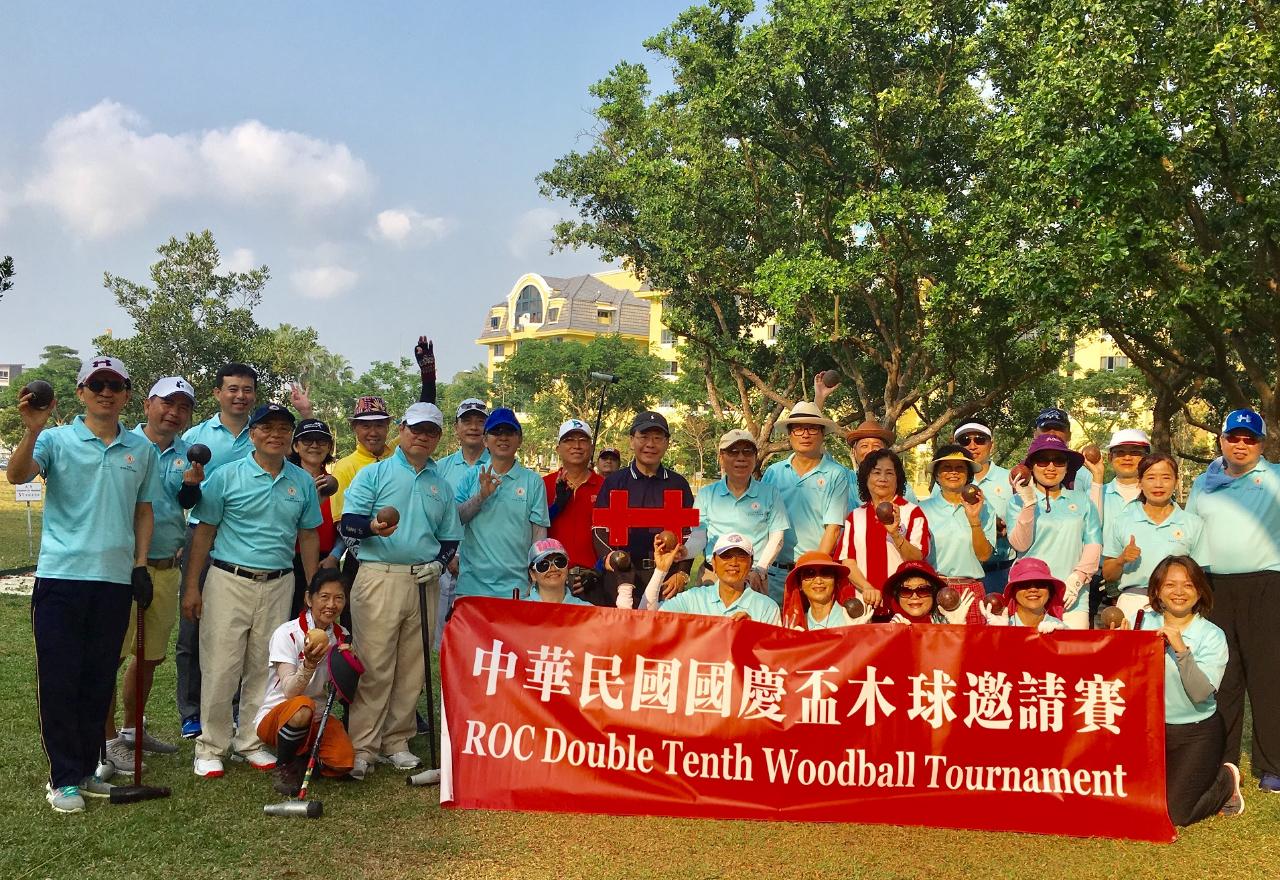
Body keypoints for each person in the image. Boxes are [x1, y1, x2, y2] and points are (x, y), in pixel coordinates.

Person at [7, 355, 160, 812]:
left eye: (115, 384)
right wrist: (32, 427)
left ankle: (86, 769)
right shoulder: (54, 438)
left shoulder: (141, 449)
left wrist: (139, 566)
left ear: (127, 394)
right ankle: (62, 779)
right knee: (60, 679)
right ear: (81, 393)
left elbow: (144, 511)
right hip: (62, 578)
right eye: (97, 384)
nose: (106, 391)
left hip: (114, 581)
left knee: (97, 679)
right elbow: (17, 476)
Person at [183, 403, 322, 778]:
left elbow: (308, 535)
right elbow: (204, 533)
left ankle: (250, 740)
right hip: (229, 578)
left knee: (265, 665)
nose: (275, 434)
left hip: (279, 582)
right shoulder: (227, 475)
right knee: (221, 664)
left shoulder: (302, 481)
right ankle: (211, 745)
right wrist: (192, 587)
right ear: (254, 432)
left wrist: (313, 586)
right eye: (267, 427)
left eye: (283, 428)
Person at [339, 402, 462, 779]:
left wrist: (439, 564)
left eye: (431, 432)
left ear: (438, 438)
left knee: (412, 666)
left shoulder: (441, 484)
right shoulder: (374, 474)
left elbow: (450, 537)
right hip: (379, 575)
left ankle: (397, 741)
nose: (423, 436)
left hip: (422, 580)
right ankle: (363, 745)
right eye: (417, 429)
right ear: (403, 430)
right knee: (374, 664)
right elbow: (348, 523)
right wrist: (373, 528)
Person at [102, 377, 203, 775]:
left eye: (182, 406)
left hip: (164, 567)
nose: (173, 412)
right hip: (121, 568)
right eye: (166, 403)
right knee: (110, 654)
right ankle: (107, 739)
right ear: (147, 405)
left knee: (149, 657)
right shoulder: (126, 446)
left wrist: (192, 490)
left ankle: (130, 731)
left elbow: (185, 504)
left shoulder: (187, 456)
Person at [1186, 408, 1280, 792]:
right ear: (1221, 440)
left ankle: (1272, 764)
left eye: (1250, 439)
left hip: (1265, 584)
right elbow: (1189, 532)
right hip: (1214, 586)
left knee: (1268, 675)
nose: (1241, 445)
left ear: (1261, 444)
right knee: (1223, 675)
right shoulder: (1202, 484)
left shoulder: (1274, 477)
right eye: (1234, 438)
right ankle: (1223, 760)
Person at [176, 362, 258, 740]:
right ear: (217, 394)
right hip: (204, 537)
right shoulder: (196, 436)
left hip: (250, 541)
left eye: (246, 389)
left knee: (246, 628)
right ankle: (191, 711)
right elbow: (183, 493)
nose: (240, 396)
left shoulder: (264, 433)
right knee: (194, 623)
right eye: (232, 389)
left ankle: (242, 709)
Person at [1132, 556, 1244, 823]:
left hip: (1196, 733)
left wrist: (1181, 649)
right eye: (1170, 584)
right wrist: (1117, 644)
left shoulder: (1212, 635)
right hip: (1147, 731)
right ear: (1157, 590)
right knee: (1135, 800)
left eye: (1189, 585)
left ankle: (1227, 780)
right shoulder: (1142, 623)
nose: (1179, 592)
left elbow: (1200, 693)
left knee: (1175, 813)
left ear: (1200, 592)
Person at [255, 568, 356, 796]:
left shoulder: (342, 635)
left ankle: (302, 758)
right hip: (281, 714)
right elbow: (290, 692)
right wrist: (309, 664)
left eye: (339, 598)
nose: (331, 604)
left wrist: (347, 669)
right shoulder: (287, 633)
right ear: (309, 598)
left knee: (343, 762)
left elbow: (339, 696)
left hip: (319, 716)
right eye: (324, 597)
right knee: (302, 706)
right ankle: (284, 766)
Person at [591, 411, 696, 607]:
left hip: (665, 580)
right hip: (621, 580)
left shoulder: (678, 484)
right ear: (632, 440)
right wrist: (611, 559)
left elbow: (690, 533)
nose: (650, 444)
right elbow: (598, 530)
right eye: (644, 437)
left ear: (666, 443)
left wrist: (683, 571)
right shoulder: (615, 482)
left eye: (657, 438)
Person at [1006, 434, 1101, 629]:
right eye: (1043, 460)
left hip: (1072, 597)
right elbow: (1020, 544)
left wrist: (1077, 579)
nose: (1051, 467)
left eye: (1058, 461)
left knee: (1072, 656)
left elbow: (1094, 544)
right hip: (1030, 595)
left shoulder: (1082, 500)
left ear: (1067, 467)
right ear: (1032, 466)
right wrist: (1029, 504)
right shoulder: (1017, 501)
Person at [760, 402, 850, 604]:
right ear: (790, 434)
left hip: (814, 575)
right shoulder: (774, 472)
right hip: (775, 574)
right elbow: (762, 522)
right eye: (798, 428)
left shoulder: (837, 474)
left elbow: (833, 529)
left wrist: (812, 570)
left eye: (812, 428)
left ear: (822, 434)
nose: (805, 434)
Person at [456, 408, 550, 600]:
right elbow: (456, 519)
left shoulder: (533, 481)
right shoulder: (470, 476)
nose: (503, 438)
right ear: (485, 440)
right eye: (496, 432)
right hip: (472, 586)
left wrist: (536, 575)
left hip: (517, 587)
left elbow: (539, 535)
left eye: (509, 432)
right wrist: (481, 497)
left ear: (520, 439)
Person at [1102, 453, 1207, 620]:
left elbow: (1199, 575)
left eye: (1166, 478)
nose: (1158, 485)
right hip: (1134, 603)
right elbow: (1108, 574)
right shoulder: (1122, 521)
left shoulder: (1193, 524)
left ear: (1176, 481)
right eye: (1151, 478)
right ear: (1140, 482)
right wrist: (1121, 559)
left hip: (1178, 604)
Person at [693, 429, 789, 590]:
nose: (741, 458)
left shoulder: (770, 493)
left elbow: (777, 537)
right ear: (721, 457)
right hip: (713, 576)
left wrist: (760, 569)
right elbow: (698, 536)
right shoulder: (705, 494)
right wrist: (684, 551)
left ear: (755, 456)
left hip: (753, 576)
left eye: (747, 452)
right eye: (733, 452)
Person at [836, 448, 929, 610]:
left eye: (889, 473)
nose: (882, 478)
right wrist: (866, 587)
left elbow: (917, 560)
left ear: (898, 479)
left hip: (903, 605)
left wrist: (895, 534)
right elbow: (848, 562)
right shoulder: (855, 516)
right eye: (876, 472)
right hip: (864, 606)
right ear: (866, 478)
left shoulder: (912, 512)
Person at [433, 398, 491, 646]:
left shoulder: (498, 466)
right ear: (456, 428)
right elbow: (434, 516)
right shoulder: (439, 468)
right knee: (441, 640)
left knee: (478, 641)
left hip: (484, 565)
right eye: (466, 421)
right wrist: (448, 554)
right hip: (445, 561)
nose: (473, 427)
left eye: (480, 422)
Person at [919, 446, 994, 625]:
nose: (953, 472)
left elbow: (984, 555)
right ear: (937, 475)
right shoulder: (923, 509)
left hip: (970, 589)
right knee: (935, 649)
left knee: (972, 650)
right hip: (934, 588)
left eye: (960, 468)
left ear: (968, 475)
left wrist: (974, 519)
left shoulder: (984, 508)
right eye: (946, 468)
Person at [645, 533, 781, 625]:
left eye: (741, 557)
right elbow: (648, 618)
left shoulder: (767, 608)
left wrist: (754, 631)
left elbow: (771, 656)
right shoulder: (693, 599)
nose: (733, 562)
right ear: (714, 563)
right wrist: (660, 571)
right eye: (726, 556)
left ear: (751, 564)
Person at [952, 419, 1015, 593]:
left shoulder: (1011, 480)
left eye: (980, 439)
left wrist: (1008, 530)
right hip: (959, 576)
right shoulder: (945, 482)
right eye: (965, 440)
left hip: (999, 572)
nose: (972, 446)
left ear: (991, 445)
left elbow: (1025, 523)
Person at [288, 419, 338, 615]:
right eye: (308, 440)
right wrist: (313, 503)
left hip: (326, 561)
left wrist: (334, 556)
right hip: (290, 559)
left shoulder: (334, 481)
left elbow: (342, 525)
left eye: (321, 441)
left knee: (319, 624)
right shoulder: (286, 480)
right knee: (288, 622)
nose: (315, 446)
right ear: (296, 446)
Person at [544, 419, 604, 575]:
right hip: (551, 576)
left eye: (583, 440)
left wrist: (598, 571)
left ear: (591, 448)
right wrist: (557, 506)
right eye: (569, 440)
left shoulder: (606, 487)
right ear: (558, 448)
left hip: (593, 577)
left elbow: (614, 538)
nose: (576, 446)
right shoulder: (541, 485)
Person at [780, 551, 872, 629]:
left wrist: (860, 634)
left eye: (826, 573)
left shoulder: (852, 619)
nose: (819, 581)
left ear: (835, 581)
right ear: (800, 584)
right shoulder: (796, 625)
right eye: (810, 573)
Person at [842, 417, 917, 506]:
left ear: (885, 451)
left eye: (876, 446)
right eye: (864, 446)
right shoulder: (843, 481)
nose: (870, 451)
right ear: (854, 452)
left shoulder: (904, 489)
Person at [881, 561, 977, 625]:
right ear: (897, 596)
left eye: (923, 590)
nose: (914, 596)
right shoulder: (891, 627)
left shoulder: (943, 624)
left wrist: (957, 628)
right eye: (906, 591)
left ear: (934, 594)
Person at [999, 557, 1067, 630]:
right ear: (1013, 592)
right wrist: (998, 632)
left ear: (1050, 591)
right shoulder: (1001, 624)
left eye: (1040, 583)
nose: (1033, 589)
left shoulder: (1060, 628)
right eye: (1024, 584)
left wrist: (1059, 638)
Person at [524, 538, 592, 605]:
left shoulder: (590, 611)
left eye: (559, 561)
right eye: (543, 565)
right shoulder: (518, 610)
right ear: (532, 574)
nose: (553, 569)